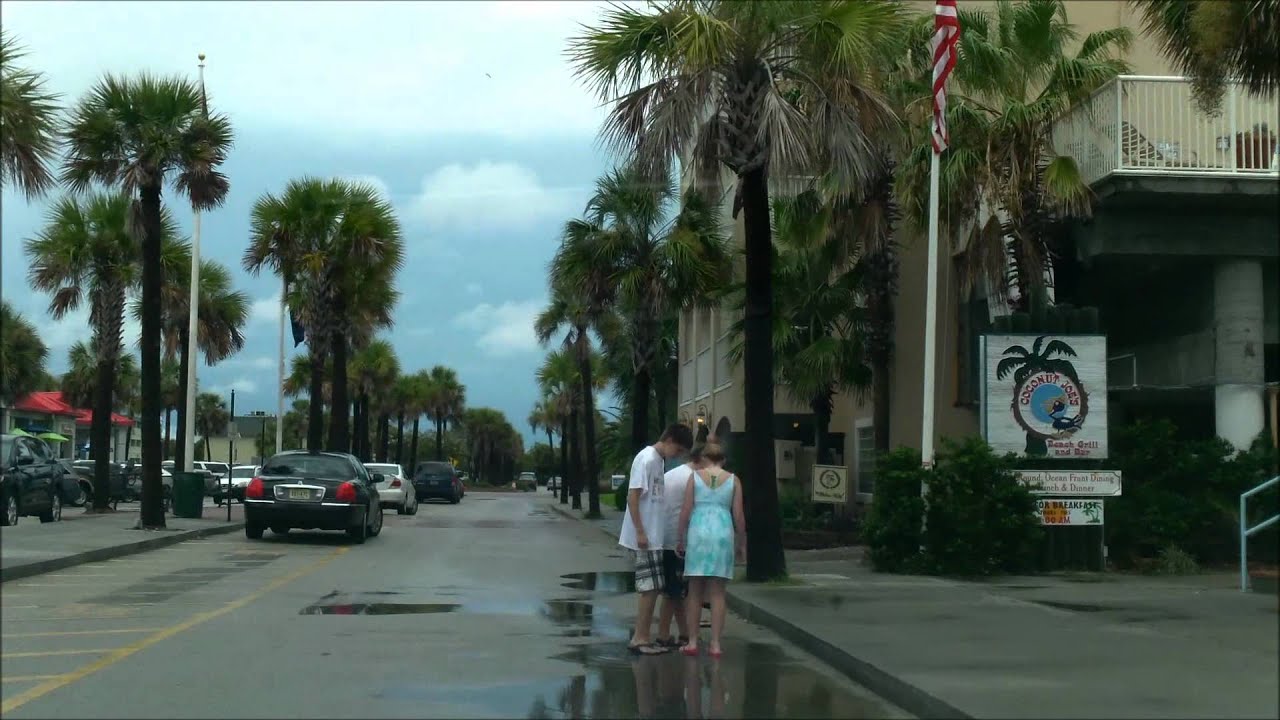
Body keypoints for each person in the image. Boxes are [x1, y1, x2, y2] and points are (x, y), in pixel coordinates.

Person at [618, 422, 694, 655]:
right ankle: (640, 638)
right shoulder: (648, 459)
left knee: (653, 587)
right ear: (669, 440)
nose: (678, 456)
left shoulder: (658, 461)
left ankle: (642, 637)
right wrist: (640, 530)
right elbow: (633, 495)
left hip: (653, 535)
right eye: (678, 451)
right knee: (649, 588)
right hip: (646, 535)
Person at [676, 435, 745, 658]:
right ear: (723, 460)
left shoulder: (694, 478)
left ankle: (693, 641)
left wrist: (680, 537)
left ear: (704, 457)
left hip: (699, 532)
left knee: (695, 591)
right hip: (723, 532)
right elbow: (739, 515)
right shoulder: (734, 480)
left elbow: (685, 510)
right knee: (718, 593)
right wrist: (741, 542)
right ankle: (715, 644)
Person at [655, 448, 702, 648]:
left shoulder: (672, 474)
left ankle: (684, 633)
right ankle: (664, 634)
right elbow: (692, 510)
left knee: (676, 591)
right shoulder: (692, 479)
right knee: (674, 591)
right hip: (679, 540)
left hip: (665, 536)